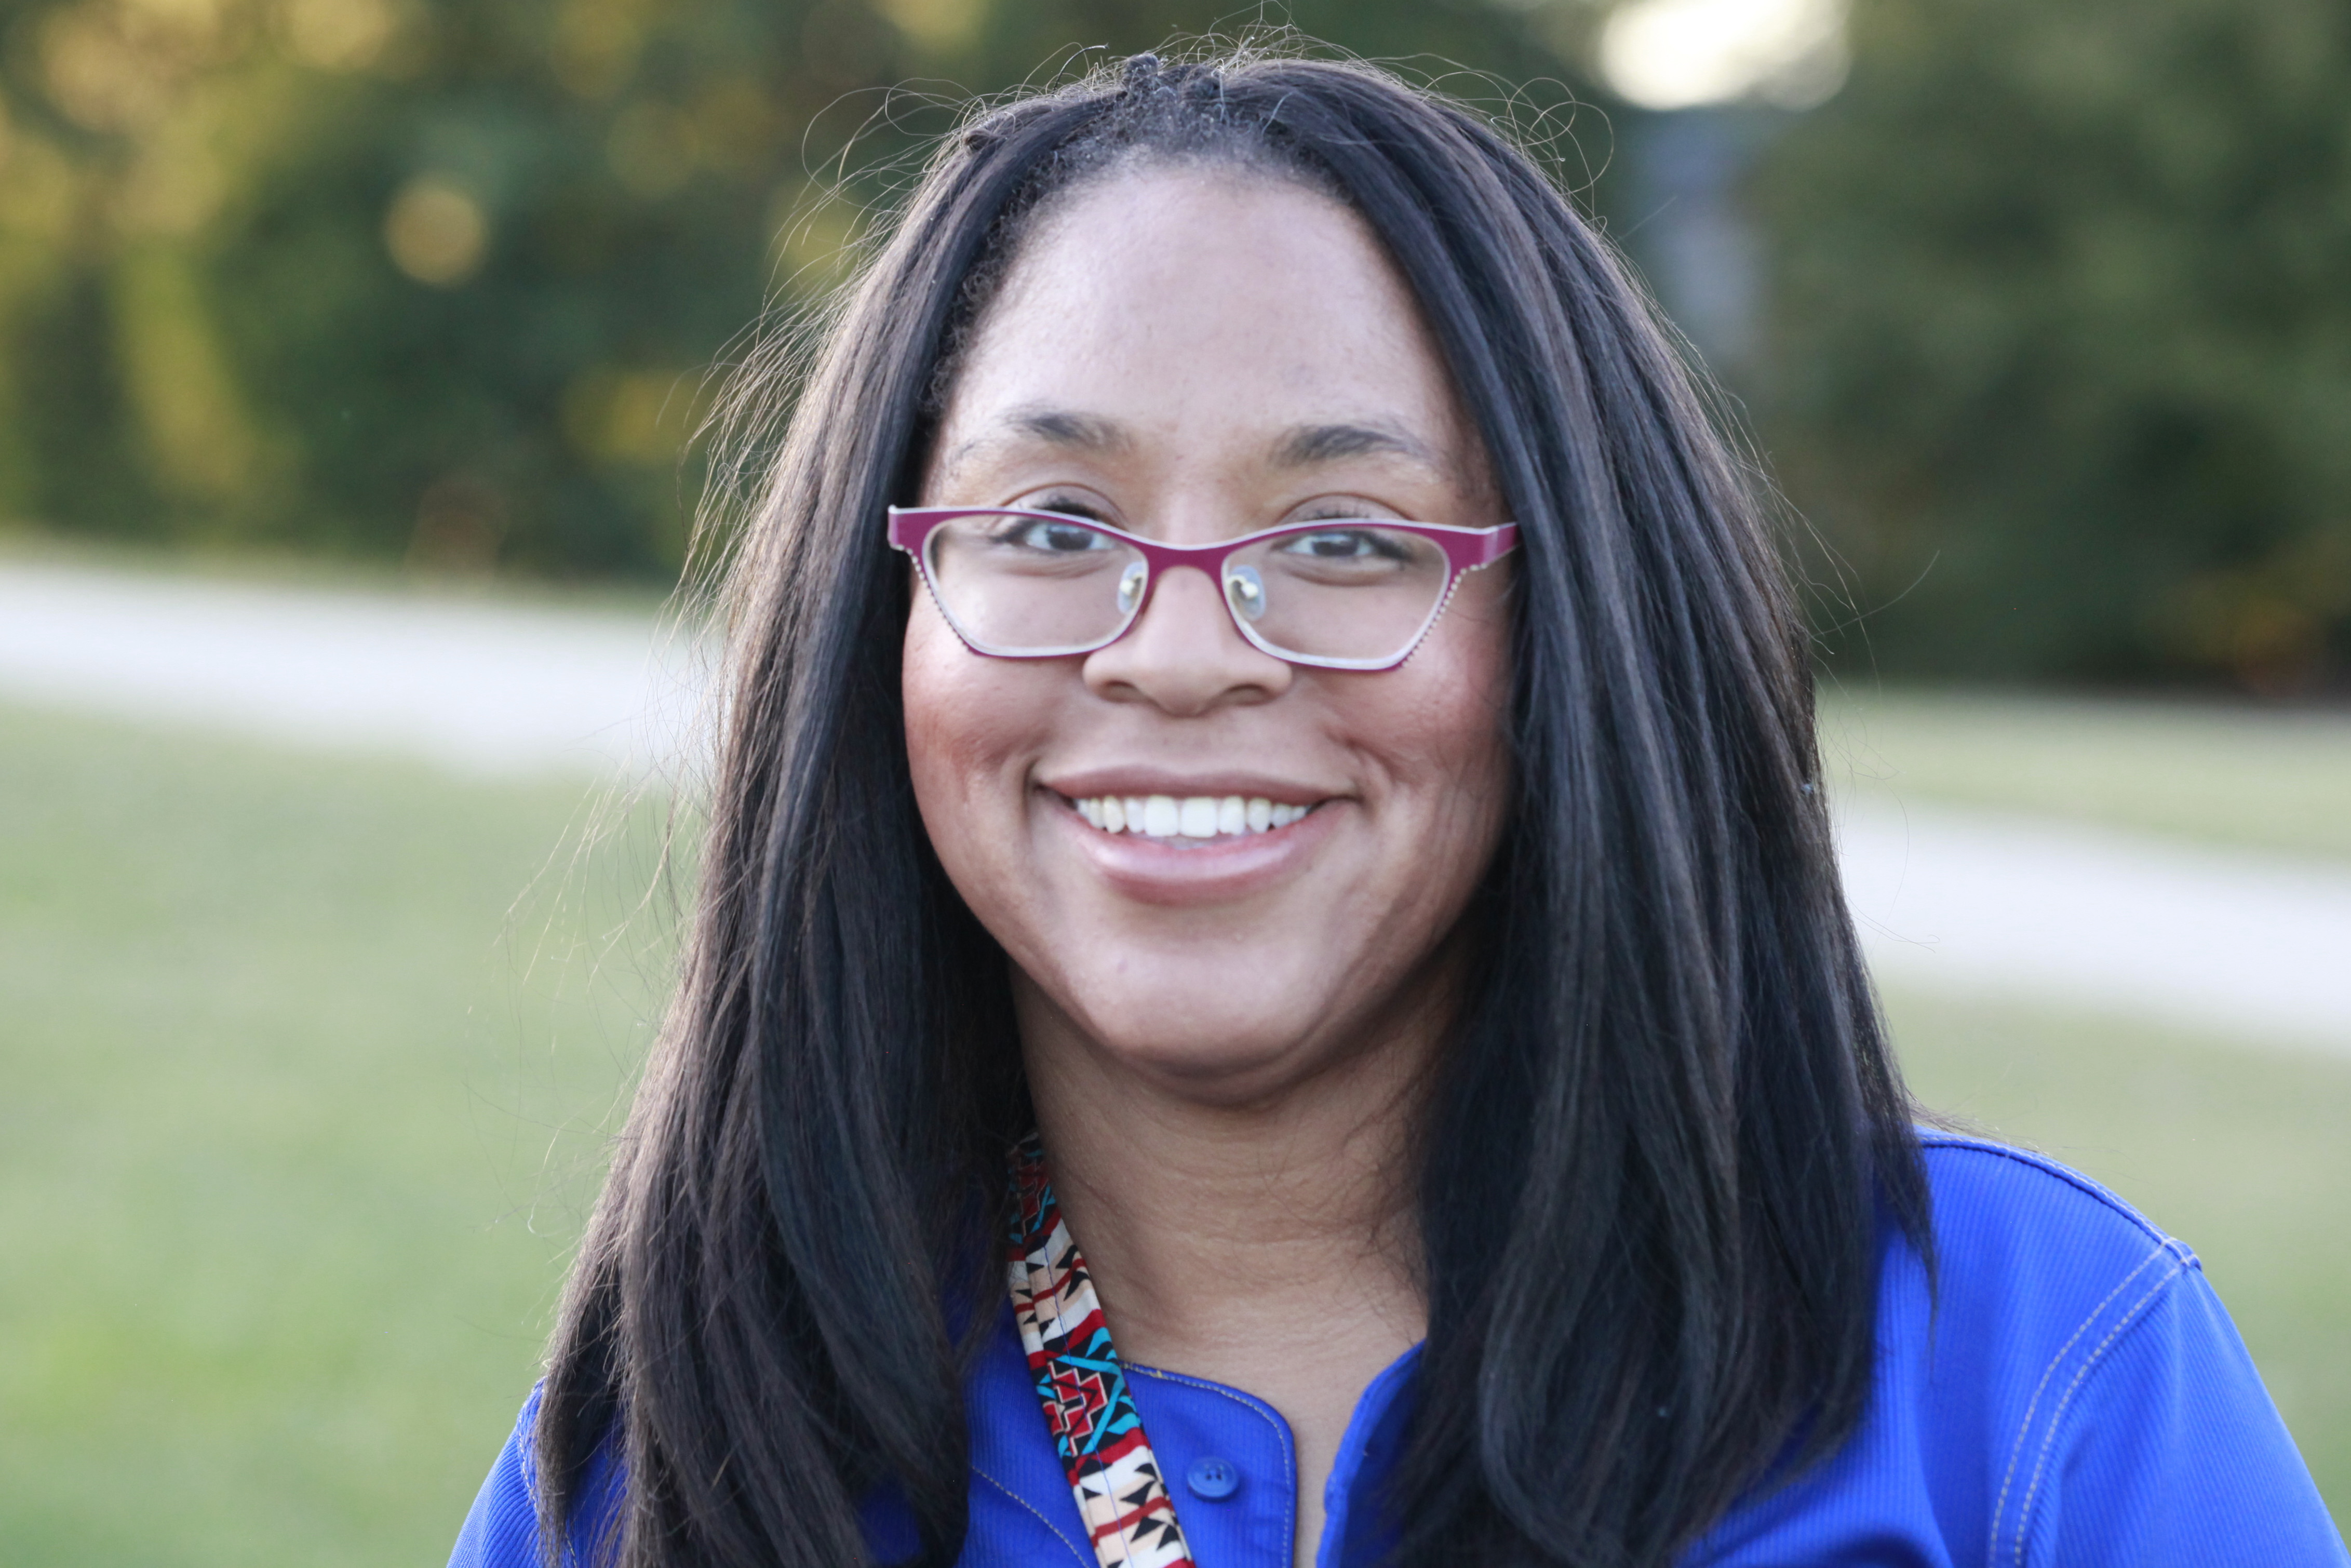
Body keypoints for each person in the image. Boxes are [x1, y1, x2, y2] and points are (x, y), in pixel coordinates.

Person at [448, 48, 2346, 1568]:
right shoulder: (684, 1451)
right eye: (1051, 526)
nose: (1179, 655)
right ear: (886, 629)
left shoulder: (2027, 1380)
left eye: (1345, 536)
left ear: (1569, 635)